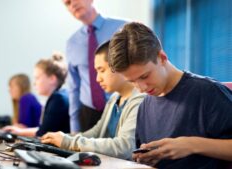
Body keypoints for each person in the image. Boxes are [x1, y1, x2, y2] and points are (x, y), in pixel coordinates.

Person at [107, 22, 232, 168]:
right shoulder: (144, 107)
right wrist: (145, 158)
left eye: (145, 76)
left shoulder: (208, 93)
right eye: (132, 82)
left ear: (162, 57)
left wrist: (191, 145)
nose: (141, 88)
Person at [41, 41, 146, 160]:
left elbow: (125, 147)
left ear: (119, 65)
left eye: (101, 70)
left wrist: (70, 142)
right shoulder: (114, 98)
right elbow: (96, 132)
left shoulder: (140, 100)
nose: (97, 79)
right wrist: (63, 139)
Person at [62, 0, 127, 133]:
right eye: (67, 3)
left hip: (122, 108)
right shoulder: (72, 43)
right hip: (88, 114)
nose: (72, 4)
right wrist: (74, 127)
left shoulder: (124, 28)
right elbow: (74, 87)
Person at [3, 53, 70, 137]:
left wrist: (19, 132)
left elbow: (43, 133)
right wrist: (19, 131)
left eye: (37, 78)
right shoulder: (60, 96)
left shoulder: (58, 99)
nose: (34, 83)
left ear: (52, 79)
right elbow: (43, 129)